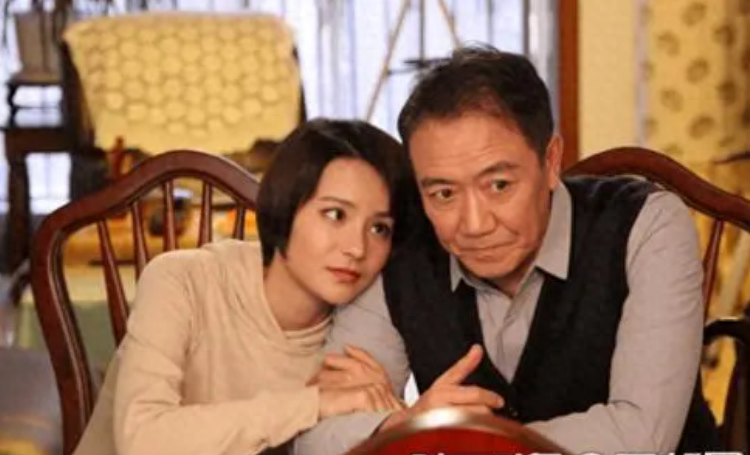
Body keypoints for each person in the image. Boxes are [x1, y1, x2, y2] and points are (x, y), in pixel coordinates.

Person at [295, 46, 720, 455]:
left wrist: (451, 441)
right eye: (443, 193)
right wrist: (404, 424)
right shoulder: (398, 247)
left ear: (550, 161)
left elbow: (642, 436)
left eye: (499, 185)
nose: (475, 224)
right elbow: (314, 440)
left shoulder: (647, 225)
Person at [71, 118, 414, 455]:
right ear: (285, 206)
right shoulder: (181, 280)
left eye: (379, 228)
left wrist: (384, 414)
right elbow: (143, 441)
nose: (357, 248)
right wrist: (313, 404)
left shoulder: (362, 335)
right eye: (335, 214)